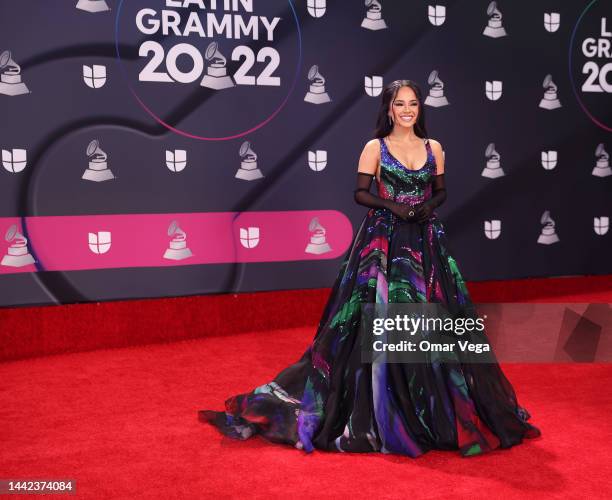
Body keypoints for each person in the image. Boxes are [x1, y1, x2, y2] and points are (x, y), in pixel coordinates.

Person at [198, 80, 541, 457]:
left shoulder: (434, 148)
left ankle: (431, 407)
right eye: (400, 104)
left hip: (426, 240)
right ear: (389, 109)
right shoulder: (374, 147)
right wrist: (395, 207)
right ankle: (385, 406)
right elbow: (360, 192)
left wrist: (427, 207)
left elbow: (441, 190)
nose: (408, 110)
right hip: (385, 241)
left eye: (413, 103)